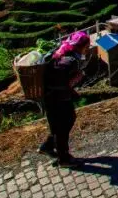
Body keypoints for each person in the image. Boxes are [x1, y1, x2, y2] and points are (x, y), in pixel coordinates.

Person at [38, 31, 91, 166]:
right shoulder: (70, 60)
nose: (88, 49)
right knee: (63, 125)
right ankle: (64, 159)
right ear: (80, 46)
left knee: (62, 124)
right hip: (57, 99)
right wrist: (75, 79)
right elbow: (60, 80)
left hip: (52, 97)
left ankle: (48, 146)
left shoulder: (64, 52)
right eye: (87, 46)